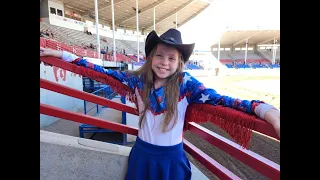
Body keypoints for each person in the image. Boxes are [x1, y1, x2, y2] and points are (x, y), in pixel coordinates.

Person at [40, 28, 280, 180]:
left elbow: (224, 102)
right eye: (159, 55)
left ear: (179, 62)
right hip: (142, 155)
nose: (164, 62)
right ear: (150, 57)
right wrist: (62, 55)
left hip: (171, 160)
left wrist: (265, 110)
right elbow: (97, 70)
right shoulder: (137, 80)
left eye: (172, 58)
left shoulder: (188, 85)